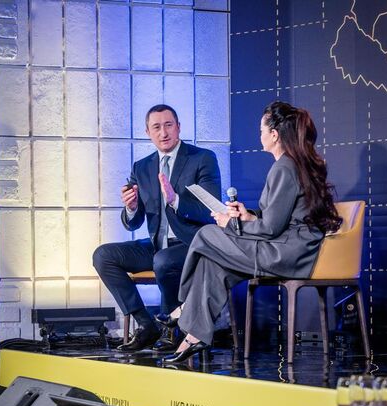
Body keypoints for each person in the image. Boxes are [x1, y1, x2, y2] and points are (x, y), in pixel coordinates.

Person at [161, 101, 342, 363]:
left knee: (207, 234)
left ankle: (185, 305)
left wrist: (230, 223)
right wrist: (248, 216)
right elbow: (277, 218)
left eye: (261, 131)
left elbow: (270, 229)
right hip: (288, 248)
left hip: (287, 254)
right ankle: (194, 336)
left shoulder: (284, 167)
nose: (259, 136)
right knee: (214, 263)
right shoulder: (292, 164)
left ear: (274, 135)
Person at [93, 104, 222, 352]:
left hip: (193, 244)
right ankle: (146, 325)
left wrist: (176, 200)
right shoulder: (141, 167)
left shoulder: (202, 158)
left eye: (168, 125)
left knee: (163, 261)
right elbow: (133, 222)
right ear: (148, 133)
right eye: (156, 127)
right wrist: (131, 207)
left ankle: (172, 327)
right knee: (103, 255)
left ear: (178, 127)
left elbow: (210, 210)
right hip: (157, 245)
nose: (163, 133)